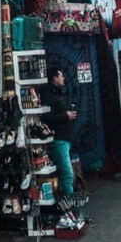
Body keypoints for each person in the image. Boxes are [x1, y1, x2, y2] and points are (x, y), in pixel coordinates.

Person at [40, 67, 77, 197]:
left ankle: (66, 201)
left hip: (64, 137)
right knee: (67, 173)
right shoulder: (49, 95)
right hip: (58, 138)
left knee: (64, 172)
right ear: (55, 78)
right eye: (61, 76)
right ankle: (69, 204)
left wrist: (68, 115)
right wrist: (66, 116)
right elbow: (47, 117)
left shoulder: (57, 93)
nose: (63, 78)